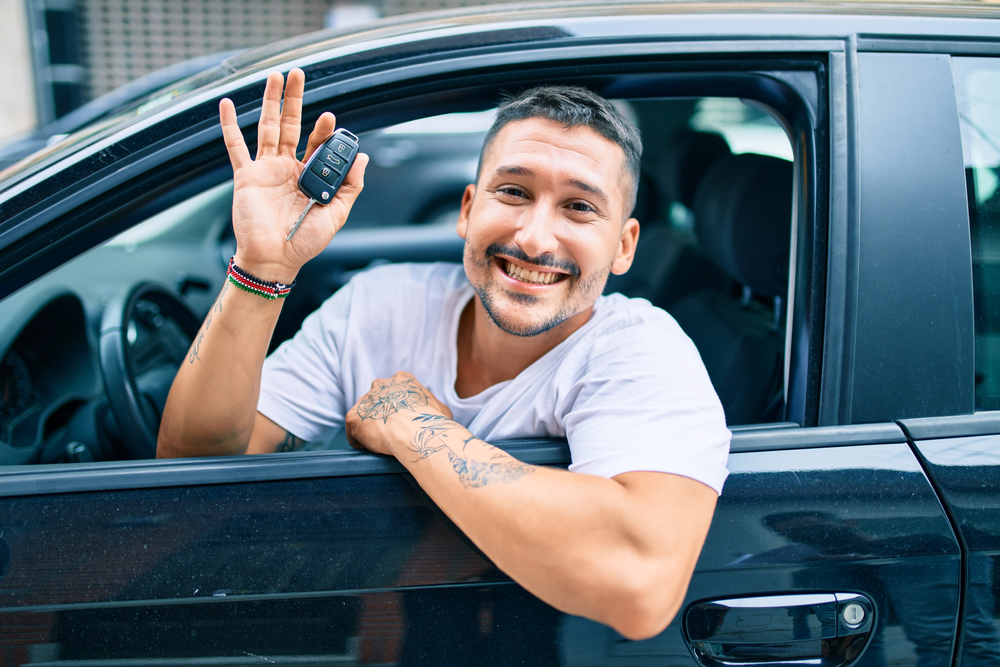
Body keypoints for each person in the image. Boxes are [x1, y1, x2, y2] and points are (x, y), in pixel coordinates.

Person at [157, 68, 731, 640]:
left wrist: (413, 425)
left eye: (579, 207)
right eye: (513, 192)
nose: (534, 237)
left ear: (624, 245)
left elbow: (639, 585)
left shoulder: (641, 350)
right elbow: (194, 464)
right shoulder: (378, 305)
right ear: (466, 209)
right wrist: (263, 267)